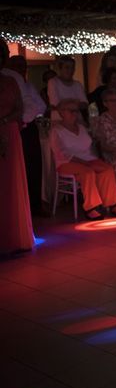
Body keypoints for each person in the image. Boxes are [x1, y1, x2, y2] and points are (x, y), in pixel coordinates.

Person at [50, 100, 116, 221]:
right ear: (61, 113)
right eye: (71, 111)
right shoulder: (56, 130)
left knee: (107, 169)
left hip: (87, 159)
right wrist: (82, 162)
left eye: (76, 111)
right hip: (67, 162)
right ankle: (90, 207)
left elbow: (89, 147)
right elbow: (60, 153)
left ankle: (112, 203)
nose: (74, 114)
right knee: (88, 172)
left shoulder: (81, 128)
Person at [0, 39, 34, 254]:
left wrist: (3, 122)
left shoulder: (10, 80)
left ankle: (14, 236)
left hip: (9, 132)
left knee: (11, 183)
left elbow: (20, 108)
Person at [5, 55, 46, 215]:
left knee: (34, 166)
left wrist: (26, 117)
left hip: (28, 128)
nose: (21, 69)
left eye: (23, 66)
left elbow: (41, 106)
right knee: (16, 168)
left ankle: (34, 205)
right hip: (14, 126)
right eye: (17, 66)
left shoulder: (28, 85)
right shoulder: (10, 83)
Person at [47, 55, 88, 122]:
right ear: (60, 68)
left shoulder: (78, 84)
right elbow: (56, 104)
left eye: (72, 68)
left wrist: (66, 103)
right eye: (67, 67)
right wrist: (75, 103)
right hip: (59, 121)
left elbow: (84, 104)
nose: (70, 70)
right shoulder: (53, 82)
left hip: (77, 121)